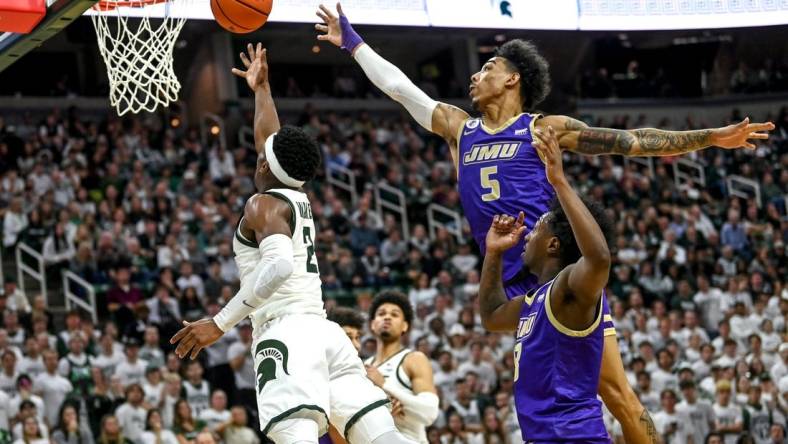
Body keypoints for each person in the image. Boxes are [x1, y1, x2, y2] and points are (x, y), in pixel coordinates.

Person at [315, 5, 775, 443]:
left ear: (512, 78)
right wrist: (351, 42)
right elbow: (399, 87)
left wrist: (711, 137)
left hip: (557, 276)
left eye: (488, 67)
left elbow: (632, 142)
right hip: (508, 282)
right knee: (537, 401)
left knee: (616, 394)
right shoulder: (460, 129)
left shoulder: (541, 128)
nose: (475, 76)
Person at [169, 43, 416, 444]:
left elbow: (279, 266)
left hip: (283, 333)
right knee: (381, 436)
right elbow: (269, 140)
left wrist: (219, 323)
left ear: (264, 165)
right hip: (326, 333)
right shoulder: (294, 194)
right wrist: (261, 90)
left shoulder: (262, 202)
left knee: (296, 436)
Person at [476, 126, 613, 442]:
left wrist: (559, 182)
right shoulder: (534, 300)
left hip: (574, 437)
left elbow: (599, 258)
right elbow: (492, 314)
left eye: (536, 229)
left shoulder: (570, 289)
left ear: (553, 245)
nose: (526, 234)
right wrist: (494, 253)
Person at [364, 291, 440, 443]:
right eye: (381, 313)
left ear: (405, 326)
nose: (387, 317)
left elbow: (429, 412)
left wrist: (385, 385)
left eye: (394, 314)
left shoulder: (413, 359)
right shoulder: (363, 367)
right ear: (372, 324)